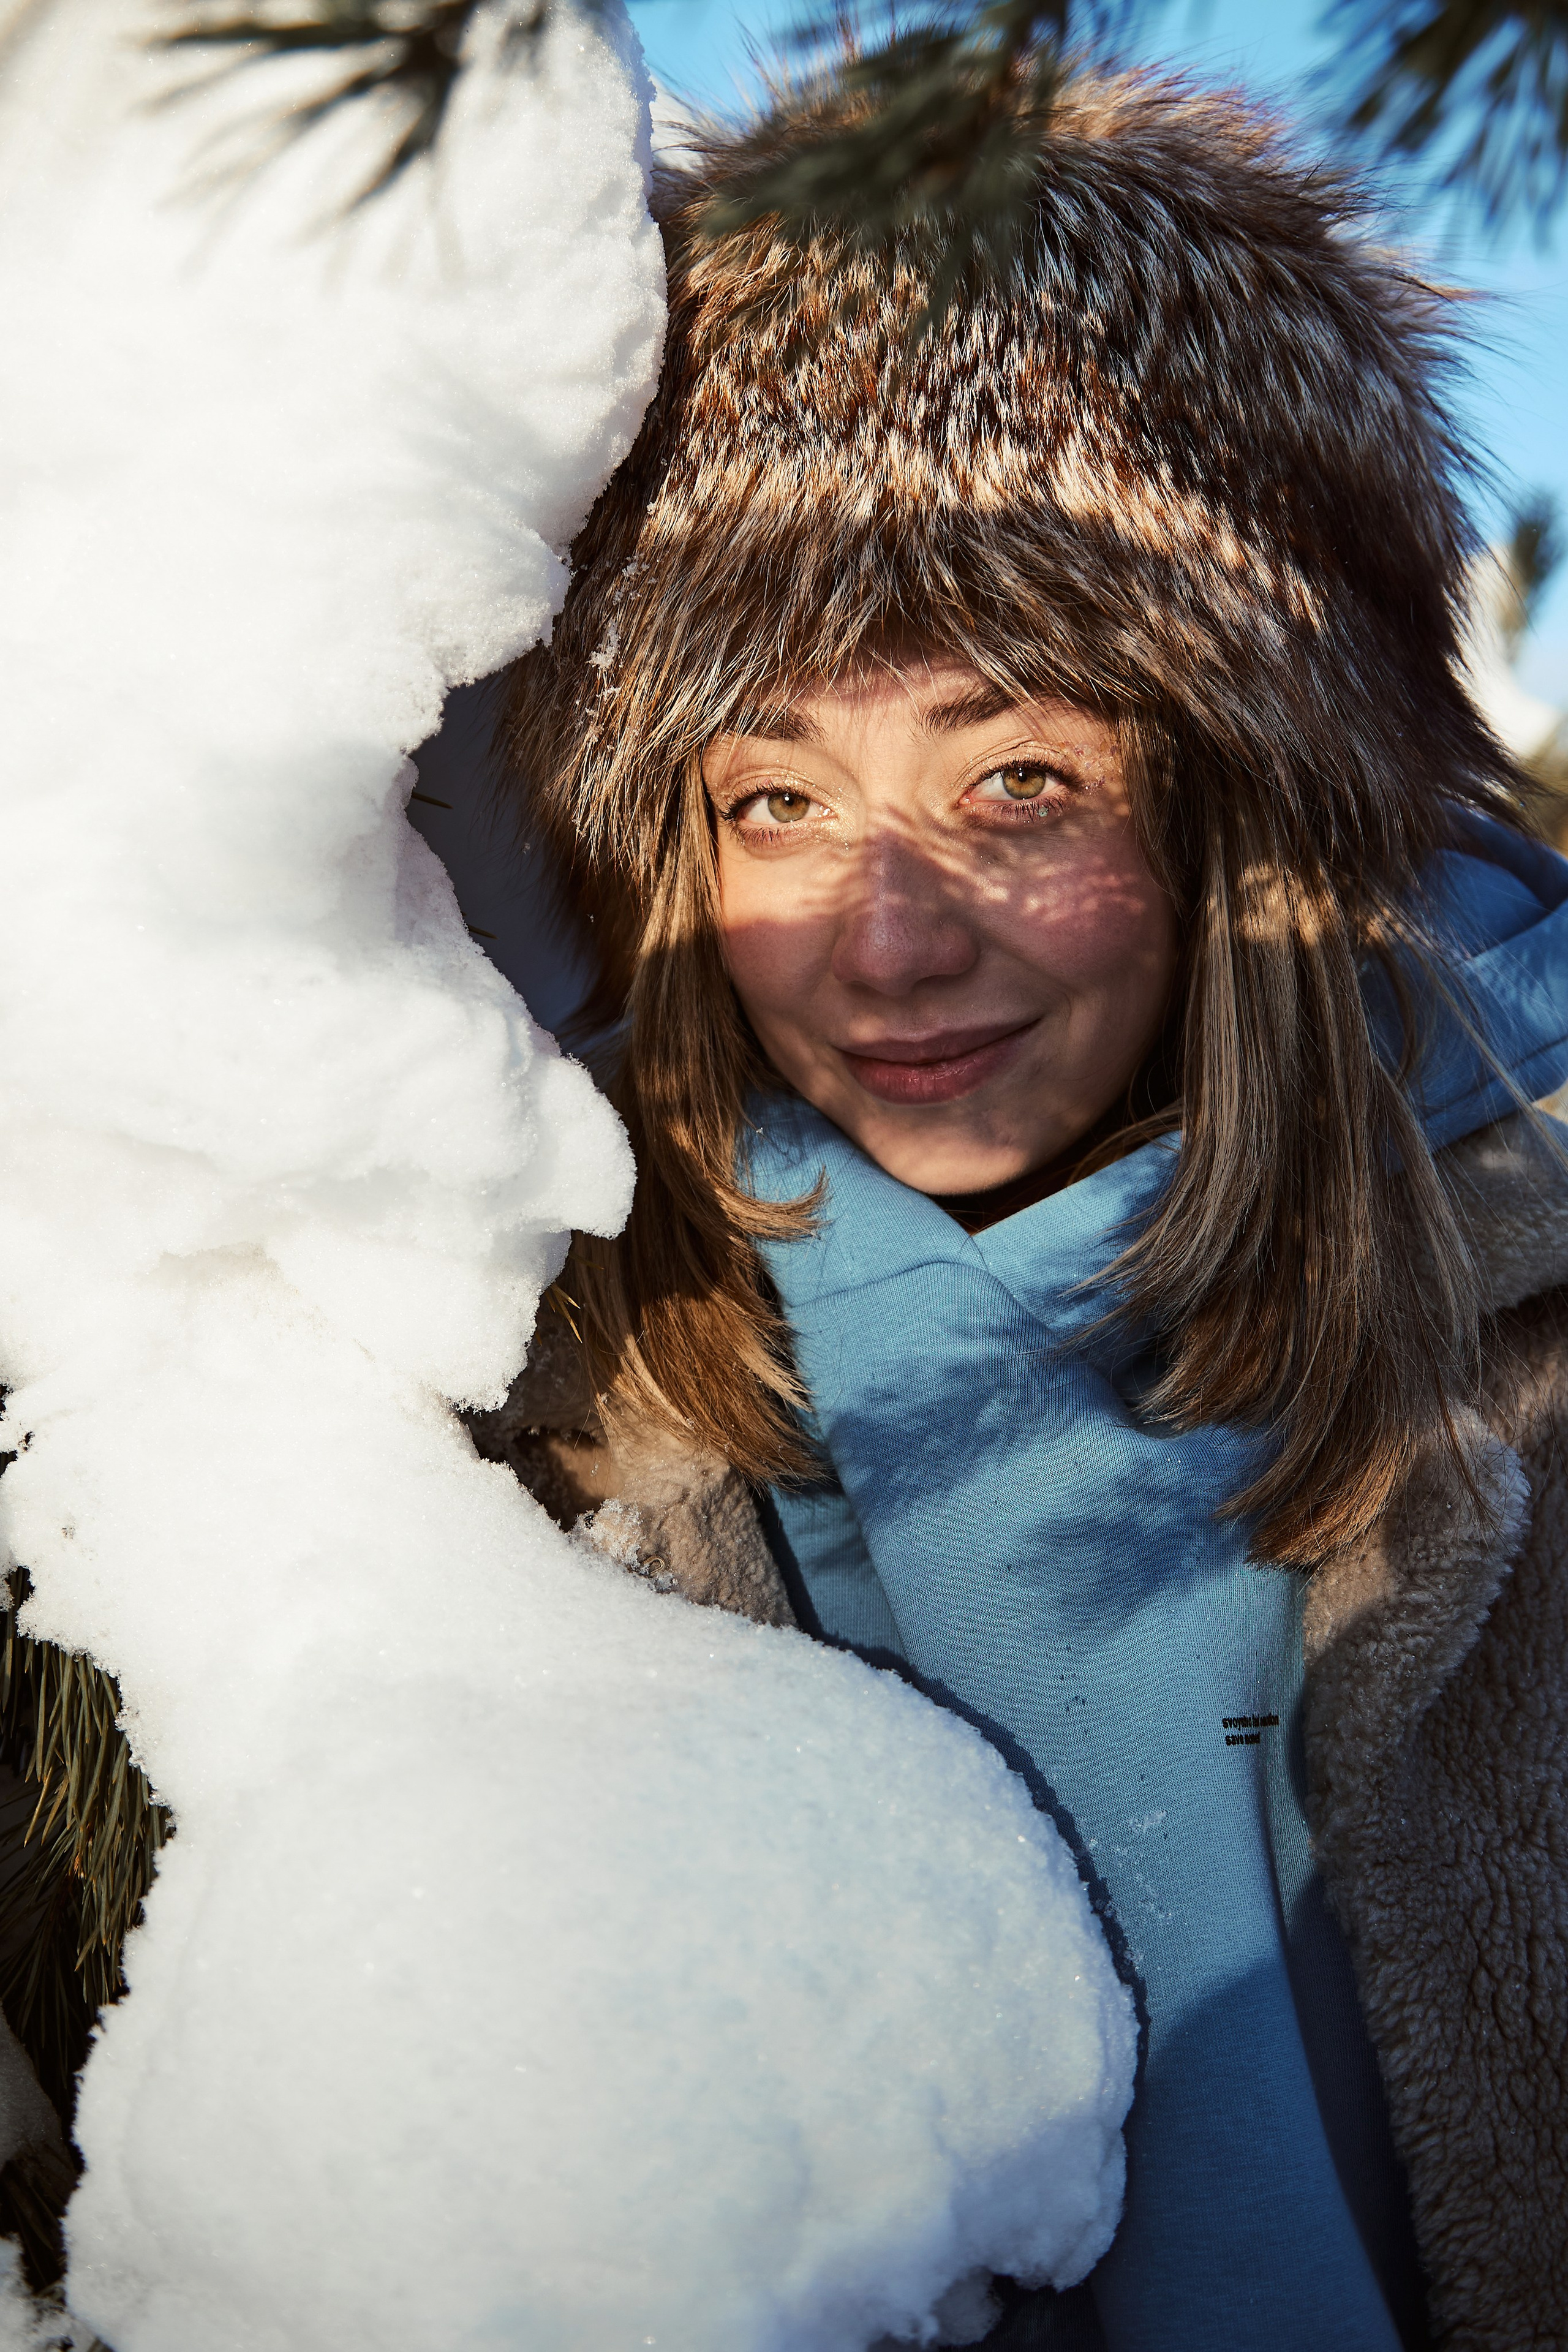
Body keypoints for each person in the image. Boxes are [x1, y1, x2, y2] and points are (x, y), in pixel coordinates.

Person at [483, 60, 1568, 2349]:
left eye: (1016, 780)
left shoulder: (1526, 1278)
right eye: (774, 791)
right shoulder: (522, 1364)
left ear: (1232, 804)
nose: (886, 943)